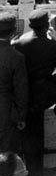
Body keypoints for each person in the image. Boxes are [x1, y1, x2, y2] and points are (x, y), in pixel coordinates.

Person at [14, 9, 56, 176]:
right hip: (43, 96)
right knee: (36, 139)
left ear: (30, 26)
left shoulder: (18, 43)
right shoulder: (53, 46)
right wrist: (54, 40)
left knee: (26, 140)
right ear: (47, 26)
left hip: (23, 95)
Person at [0, 12, 27, 153]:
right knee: (6, 154)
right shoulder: (16, 57)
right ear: (13, 31)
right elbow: (20, 90)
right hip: (6, 113)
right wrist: (21, 117)